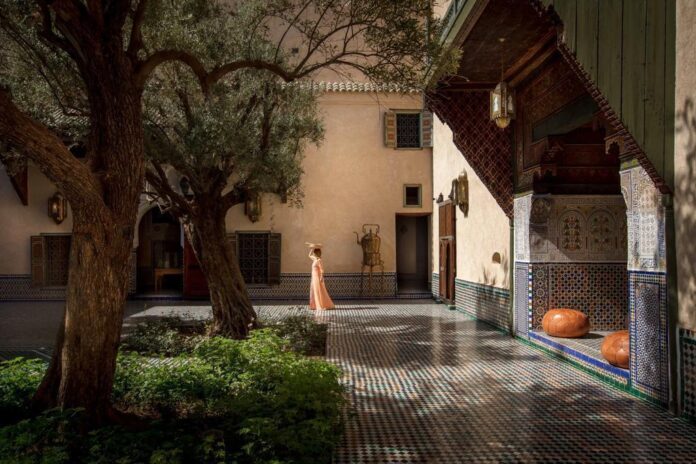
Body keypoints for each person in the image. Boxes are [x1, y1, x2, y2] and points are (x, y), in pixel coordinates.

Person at [307, 245, 335, 310]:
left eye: (314, 252)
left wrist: (321, 277)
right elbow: (309, 255)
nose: (313, 254)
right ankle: (314, 305)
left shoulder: (319, 260)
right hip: (314, 278)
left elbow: (322, 269)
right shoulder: (314, 259)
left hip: (317, 277)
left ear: (316, 253)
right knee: (314, 290)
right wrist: (312, 248)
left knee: (318, 291)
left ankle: (321, 305)